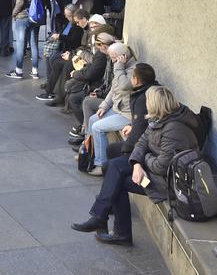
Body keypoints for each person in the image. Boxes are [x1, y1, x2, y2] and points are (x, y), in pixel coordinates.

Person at [71, 86, 199, 246]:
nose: (146, 105)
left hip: (166, 183)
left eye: (148, 102)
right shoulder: (161, 118)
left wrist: (141, 160)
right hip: (152, 170)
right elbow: (142, 142)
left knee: (118, 178)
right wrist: (137, 164)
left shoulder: (175, 129)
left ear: (156, 105)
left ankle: (111, 226)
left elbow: (161, 166)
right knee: (113, 167)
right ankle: (103, 219)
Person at [83, 42, 138, 174]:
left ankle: (101, 165)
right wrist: (104, 106)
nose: (113, 62)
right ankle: (88, 154)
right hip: (117, 108)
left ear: (123, 56)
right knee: (92, 119)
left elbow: (125, 85)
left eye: (114, 58)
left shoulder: (134, 70)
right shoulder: (120, 67)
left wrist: (118, 66)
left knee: (97, 127)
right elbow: (113, 89)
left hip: (127, 114)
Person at [6, 0, 39, 79]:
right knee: (34, 44)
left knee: (20, 45)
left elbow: (20, 2)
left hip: (22, 17)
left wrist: (13, 14)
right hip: (34, 17)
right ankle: (35, 71)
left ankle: (18, 70)